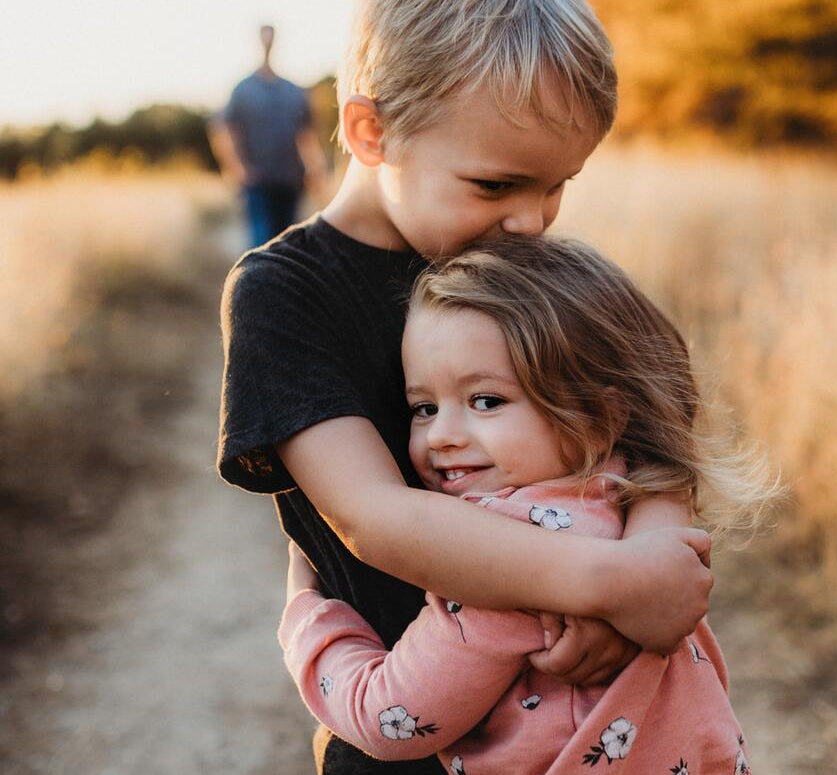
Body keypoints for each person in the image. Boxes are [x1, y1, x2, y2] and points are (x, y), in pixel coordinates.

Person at [218, 2, 714, 773]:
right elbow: (372, 516)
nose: (530, 221)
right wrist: (607, 582)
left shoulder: (521, 266)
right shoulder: (286, 294)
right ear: (371, 133)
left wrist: (650, 554)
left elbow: (653, 423)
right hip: (409, 735)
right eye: (496, 185)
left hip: (599, 730)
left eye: (557, 186)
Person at [279, 236, 771, 774]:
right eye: (422, 407)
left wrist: (308, 616)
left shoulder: (501, 558)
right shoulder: (628, 494)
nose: (441, 435)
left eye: (485, 401)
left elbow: (388, 718)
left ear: (599, 415)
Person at [208, 24, 326, 247]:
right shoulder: (243, 89)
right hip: (257, 181)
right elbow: (223, 129)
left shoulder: (292, 91)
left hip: (290, 179)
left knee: (286, 244)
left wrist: (316, 170)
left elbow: (307, 134)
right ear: (259, 41)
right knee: (261, 243)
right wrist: (237, 168)